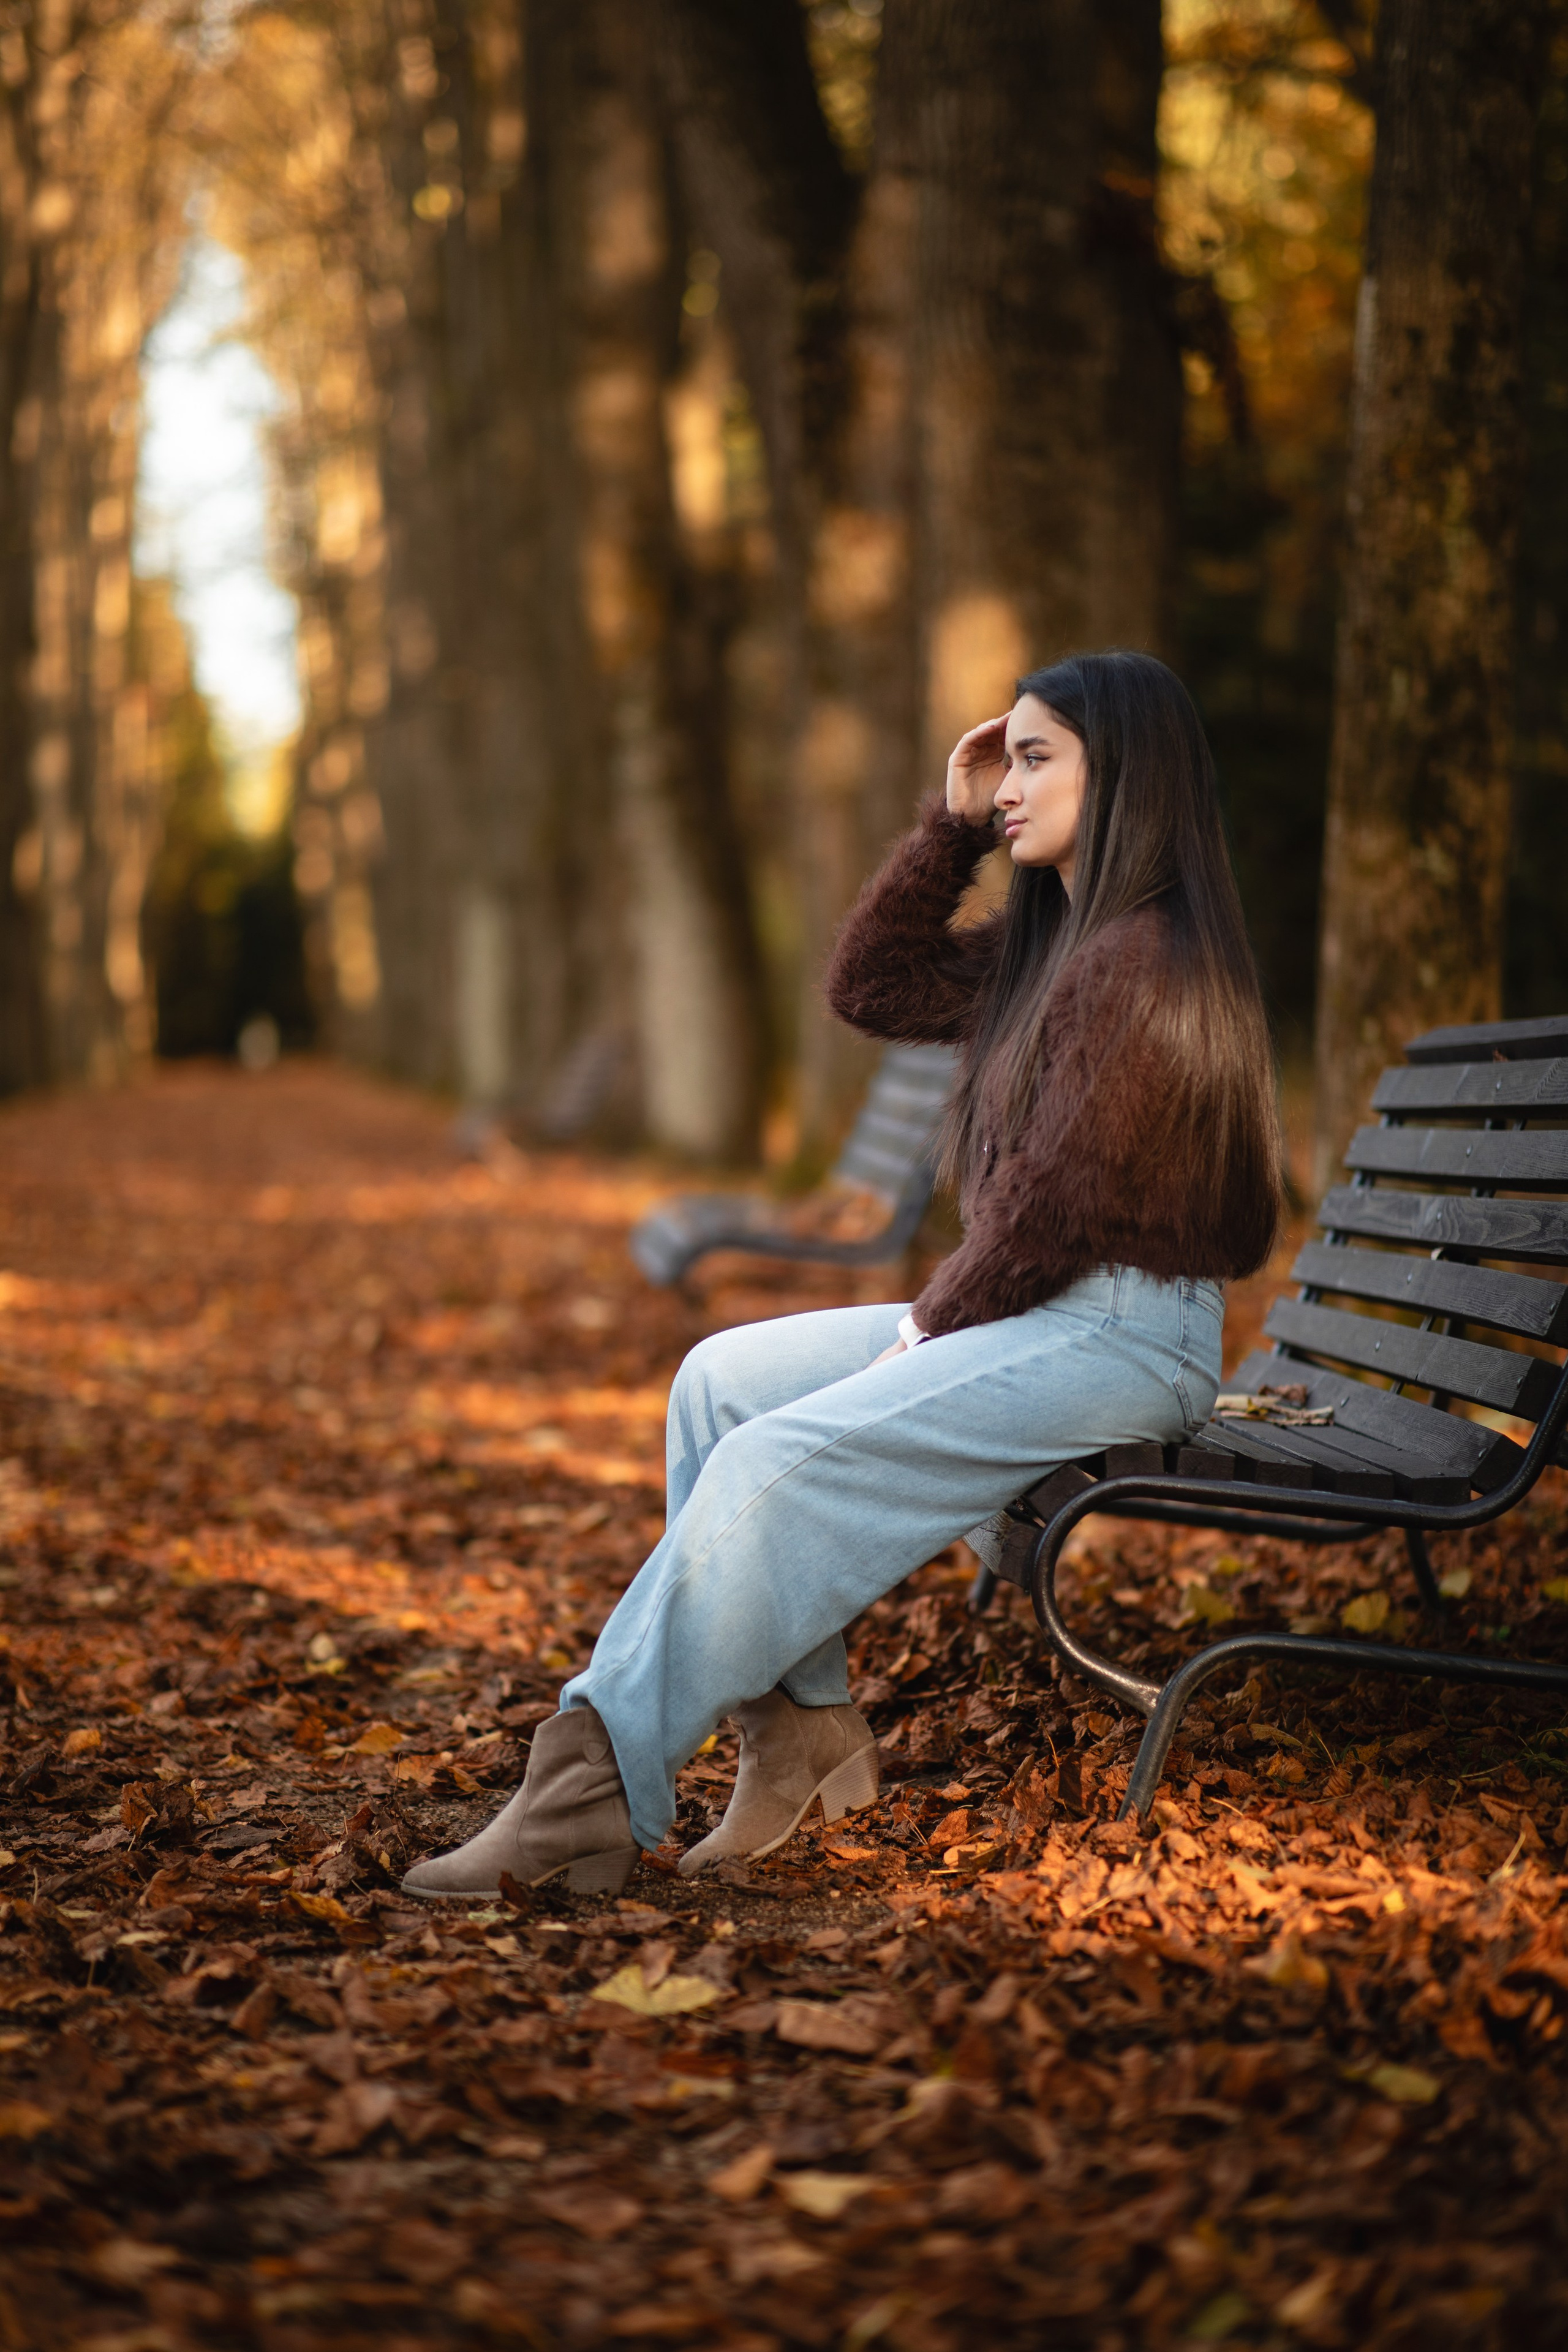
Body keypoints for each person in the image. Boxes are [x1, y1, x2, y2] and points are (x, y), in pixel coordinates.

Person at [402, 649, 1283, 1900]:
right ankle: (805, 1738)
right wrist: (950, 826)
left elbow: (1055, 1204)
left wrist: (928, 1329)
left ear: (1125, 773)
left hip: (1126, 1336)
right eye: (1008, 758)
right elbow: (867, 984)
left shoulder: (1150, 961)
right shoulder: (1052, 948)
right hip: (1048, 1312)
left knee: (768, 1457)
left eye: (1037, 759)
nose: (1010, 783)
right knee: (719, 1381)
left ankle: (583, 1793)